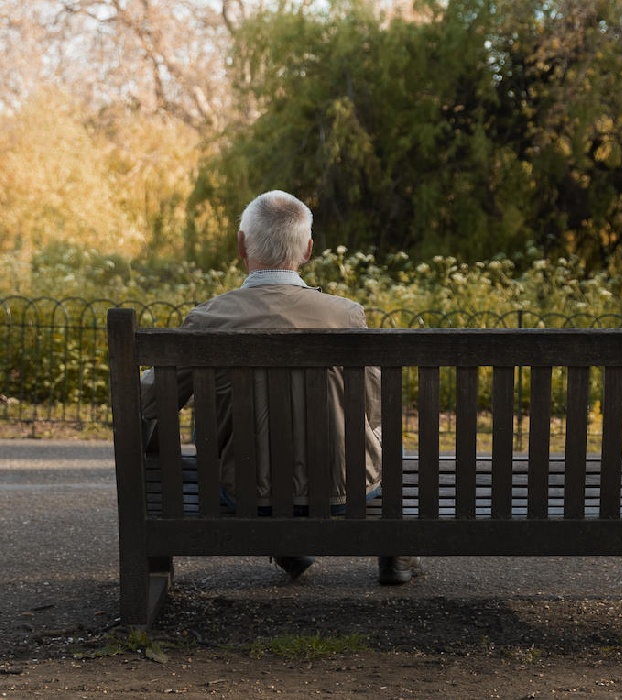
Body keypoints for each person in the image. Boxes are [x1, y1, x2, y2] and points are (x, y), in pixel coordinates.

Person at [139, 190, 421, 585]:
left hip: (249, 496)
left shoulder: (208, 320)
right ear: (307, 249)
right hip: (348, 492)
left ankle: (289, 545)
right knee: (380, 440)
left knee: (252, 450)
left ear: (241, 245)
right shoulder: (346, 315)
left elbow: (151, 400)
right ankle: (395, 553)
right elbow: (373, 410)